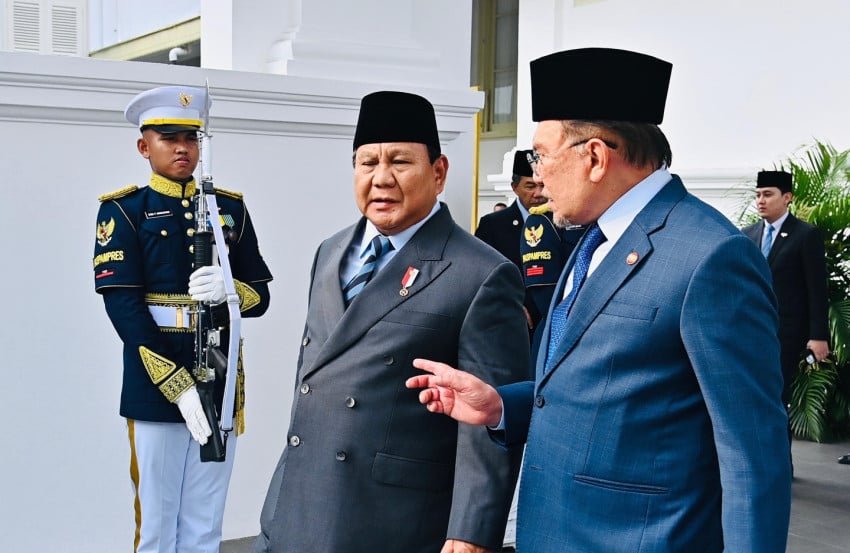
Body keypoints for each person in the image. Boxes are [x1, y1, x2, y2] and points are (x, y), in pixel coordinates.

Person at [406, 47, 791, 552]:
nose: (537, 175)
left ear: (594, 158)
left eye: (542, 155)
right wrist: (501, 405)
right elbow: (602, 388)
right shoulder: (594, 239)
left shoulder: (711, 256)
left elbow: (752, 453)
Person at [253, 91, 528, 553]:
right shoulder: (330, 251)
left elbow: (487, 418)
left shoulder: (481, 272)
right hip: (295, 507)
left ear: (438, 172)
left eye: (400, 162)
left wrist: (471, 532)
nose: (381, 178)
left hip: (392, 522)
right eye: (367, 163)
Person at [93, 85, 273, 553]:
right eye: (168, 138)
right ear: (143, 146)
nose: (182, 148)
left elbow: (261, 296)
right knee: (156, 526)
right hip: (156, 382)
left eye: (191, 138)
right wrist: (176, 384)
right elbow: (125, 309)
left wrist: (231, 291)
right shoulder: (124, 211)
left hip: (219, 378)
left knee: (204, 525)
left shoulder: (227, 208)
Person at [475, 150, 549, 333]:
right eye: (530, 186)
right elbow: (478, 273)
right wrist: (506, 302)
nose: (538, 193)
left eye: (542, 185)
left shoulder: (563, 222)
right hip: (510, 323)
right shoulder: (493, 225)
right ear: (514, 187)